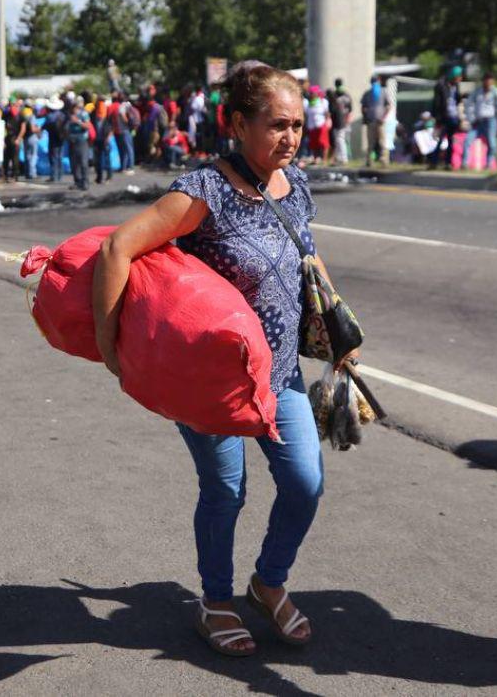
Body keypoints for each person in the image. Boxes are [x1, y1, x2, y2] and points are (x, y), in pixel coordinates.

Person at [93, 61, 356, 658]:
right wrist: (114, 350)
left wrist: (339, 325)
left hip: (280, 372)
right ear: (238, 123)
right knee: (225, 491)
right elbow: (117, 249)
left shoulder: (297, 183)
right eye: (276, 125)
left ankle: (268, 581)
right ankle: (215, 602)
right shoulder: (202, 191)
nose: (291, 136)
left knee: (304, 483)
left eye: (297, 123)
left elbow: (307, 259)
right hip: (210, 381)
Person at [463, 72, 497, 170]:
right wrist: (471, 118)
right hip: (478, 121)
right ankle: (464, 163)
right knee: (468, 140)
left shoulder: (496, 92)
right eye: (486, 81)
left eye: (490, 82)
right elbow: (468, 104)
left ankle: (489, 164)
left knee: (492, 143)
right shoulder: (477, 91)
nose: (488, 84)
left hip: (491, 120)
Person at [428, 66, 463, 171]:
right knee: (440, 140)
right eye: (459, 76)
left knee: (451, 140)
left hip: (453, 116)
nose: (460, 79)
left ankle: (448, 163)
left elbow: (456, 100)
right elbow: (437, 103)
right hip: (444, 116)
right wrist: (437, 117)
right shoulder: (441, 85)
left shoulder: (455, 86)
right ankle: (433, 162)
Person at [64, 102, 91, 191]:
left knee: (83, 162)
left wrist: (78, 121)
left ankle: (85, 182)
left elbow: (87, 126)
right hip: (72, 140)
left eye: (75, 108)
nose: (73, 110)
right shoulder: (69, 115)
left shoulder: (83, 114)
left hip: (82, 140)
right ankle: (77, 182)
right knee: (74, 163)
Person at [329, 78, 352, 165]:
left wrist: (347, 120)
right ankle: (339, 158)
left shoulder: (336, 96)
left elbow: (349, 110)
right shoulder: (345, 95)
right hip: (338, 121)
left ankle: (344, 158)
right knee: (338, 140)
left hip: (340, 121)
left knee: (340, 140)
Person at [305, 86, 331, 164]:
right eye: (310, 93)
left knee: (323, 143)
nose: (311, 94)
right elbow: (306, 115)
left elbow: (327, 113)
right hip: (311, 127)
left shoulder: (323, 102)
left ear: (316, 93)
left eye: (313, 93)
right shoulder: (308, 103)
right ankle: (316, 159)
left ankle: (324, 159)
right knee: (314, 144)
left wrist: (328, 122)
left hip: (321, 125)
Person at [23, 106, 40, 181]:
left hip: (25, 138)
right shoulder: (32, 117)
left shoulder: (23, 116)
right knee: (33, 156)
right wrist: (38, 129)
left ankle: (27, 173)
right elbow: (33, 129)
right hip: (32, 137)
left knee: (27, 156)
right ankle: (32, 173)